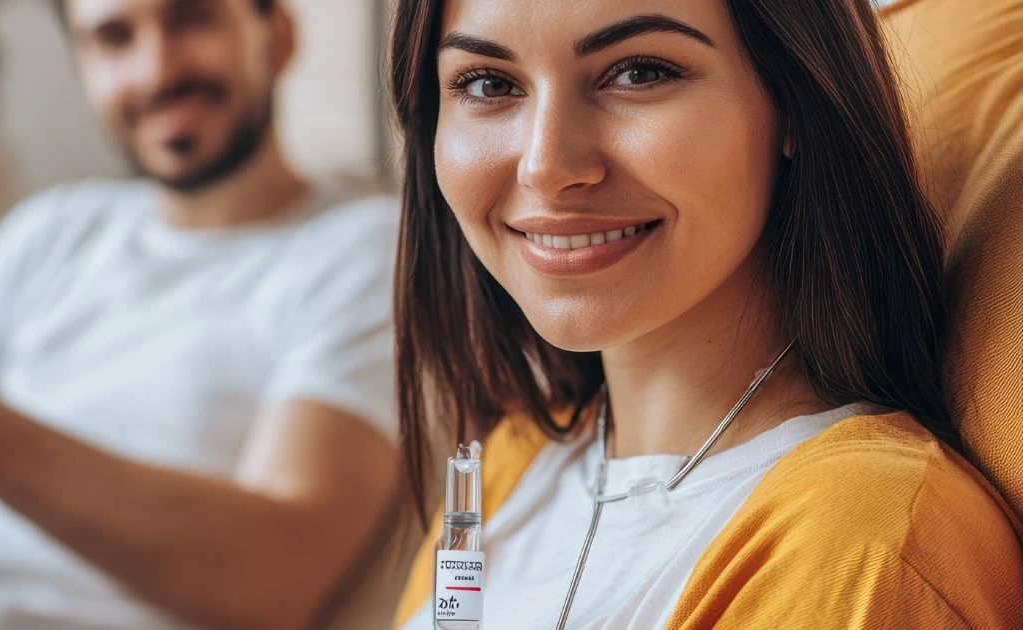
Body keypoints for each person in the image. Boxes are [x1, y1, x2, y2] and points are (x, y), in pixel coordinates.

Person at [389, 0, 1023, 627]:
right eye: (488, 83)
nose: (546, 166)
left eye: (639, 72)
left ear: (793, 98)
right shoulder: (518, 457)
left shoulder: (861, 544)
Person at [0, 0, 402, 628]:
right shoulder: (50, 230)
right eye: (113, 38)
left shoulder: (366, 252)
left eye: (192, 19)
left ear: (278, 36)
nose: (157, 70)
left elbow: (277, 577)